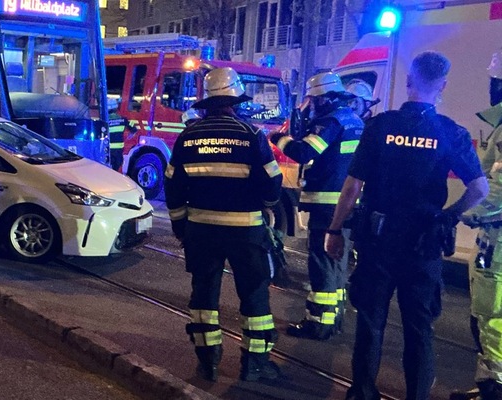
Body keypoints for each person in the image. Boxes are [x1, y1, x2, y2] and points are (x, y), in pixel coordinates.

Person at [324, 51, 489, 400]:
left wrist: (334, 230)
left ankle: (363, 393)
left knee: (370, 325)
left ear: (410, 81)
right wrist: (447, 216)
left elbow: (352, 186)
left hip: (378, 243)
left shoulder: (380, 126)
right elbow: (479, 188)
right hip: (423, 246)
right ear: (442, 85)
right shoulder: (450, 132)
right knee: (419, 330)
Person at [164, 67, 284, 382]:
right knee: (254, 293)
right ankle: (253, 364)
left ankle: (208, 361)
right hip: (246, 231)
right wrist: (266, 205)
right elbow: (273, 182)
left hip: (201, 230)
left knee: (204, 294)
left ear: (208, 102)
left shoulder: (188, 136)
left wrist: (180, 226)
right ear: (235, 101)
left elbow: (173, 186)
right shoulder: (251, 134)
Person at [269, 71, 364, 340]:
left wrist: (279, 138)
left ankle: (318, 323)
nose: (312, 105)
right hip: (347, 204)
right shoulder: (355, 120)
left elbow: (304, 152)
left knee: (321, 263)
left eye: (314, 100)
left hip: (326, 204)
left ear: (325, 98)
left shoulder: (330, 122)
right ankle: (334, 318)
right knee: (338, 262)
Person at [451, 51, 502, 400]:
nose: (491, 88)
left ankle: (493, 386)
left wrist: (463, 212)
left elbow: (497, 186)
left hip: (496, 243)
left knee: (490, 314)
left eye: (495, 81)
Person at [107, 99, 136, 172]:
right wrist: (129, 136)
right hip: (119, 150)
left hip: (108, 149)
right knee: (116, 168)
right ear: (116, 108)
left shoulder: (105, 121)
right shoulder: (123, 120)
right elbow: (134, 129)